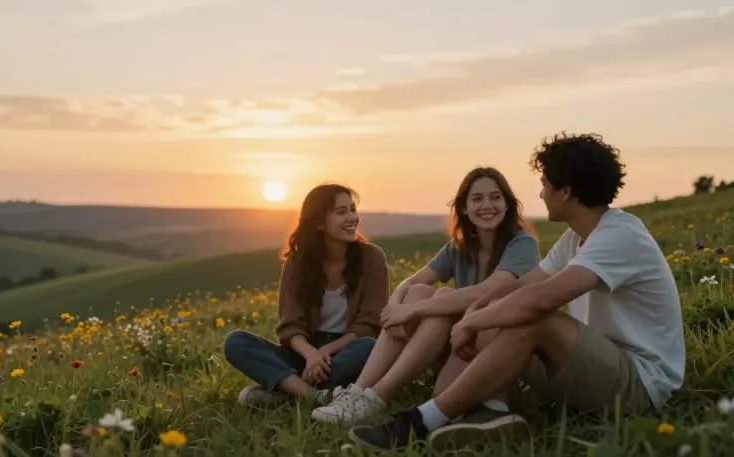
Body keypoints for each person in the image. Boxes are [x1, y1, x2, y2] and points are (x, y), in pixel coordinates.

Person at [346, 132, 686, 453]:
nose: (540, 195)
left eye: (545, 185)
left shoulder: (619, 235)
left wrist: (472, 323)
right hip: (596, 366)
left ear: (565, 191)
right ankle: (492, 411)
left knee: (534, 316)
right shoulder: (574, 239)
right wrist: (479, 310)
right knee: (510, 308)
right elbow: (521, 286)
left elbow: (541, 298)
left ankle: (419, 422)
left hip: (639, 382)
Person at [311, 167, 540, 424]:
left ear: (507, 205)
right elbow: (413, 281)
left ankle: (377, 395)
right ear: (464, 208)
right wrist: (396, 308)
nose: (487, 205)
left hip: (496, 347)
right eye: (477, 199)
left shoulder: (522, 244)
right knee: (421, 292)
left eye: (495, 197)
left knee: (439, 300)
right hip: (460, 340)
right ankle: (358, 394)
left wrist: (412, 311)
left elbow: (488, 291)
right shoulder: (460, 247)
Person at [223, 183, 389, 407]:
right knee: (236, 342)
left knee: (369, 347)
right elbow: (291, 326)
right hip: (304, 355)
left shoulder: (372, 258)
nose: (352, 218)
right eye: (342, 212)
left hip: (349, 350)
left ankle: (287, 393)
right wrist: (311, 355)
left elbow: (369, 325)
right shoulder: (297, 263)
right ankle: (316, 396)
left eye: (352, 209)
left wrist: (326, 351)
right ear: (319, 222)